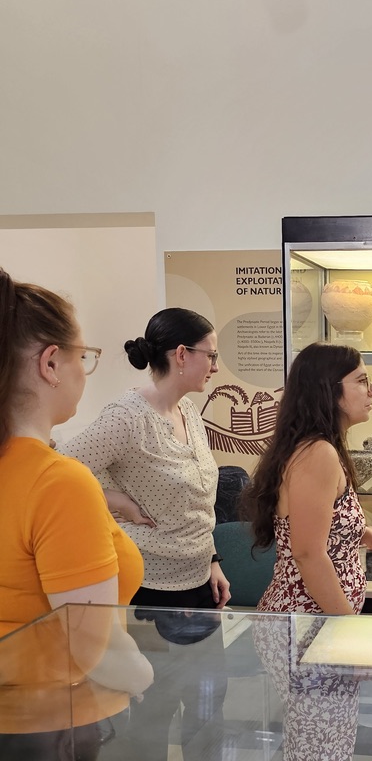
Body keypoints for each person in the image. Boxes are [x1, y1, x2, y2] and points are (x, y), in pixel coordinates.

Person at [60, 307, 230, 759]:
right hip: (150, 592)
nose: (216, 366)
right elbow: (60, 471)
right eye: (211, 356)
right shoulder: (127, 417)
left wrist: (212, 559)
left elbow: (197, 496)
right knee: (157, 708)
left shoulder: (190, 412)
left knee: (209, 701)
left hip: (199, 582)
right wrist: (114, 500)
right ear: (181, 354)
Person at [0, 268, 152, 760]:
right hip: (49, 726)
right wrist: (145, 673)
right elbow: (94, 650)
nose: (84, 370)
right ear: (50, 363)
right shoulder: (59, 481)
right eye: (83, 357)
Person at [241, 342, 372, 761]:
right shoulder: (318, 453)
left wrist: (364, 534)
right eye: (362, 381)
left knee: (317, 745)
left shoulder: (318, 448)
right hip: (309, 629)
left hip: (313, 626)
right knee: (322, 750)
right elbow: (308, 554)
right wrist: (351, 636)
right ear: (328, 390)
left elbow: (313, 525)